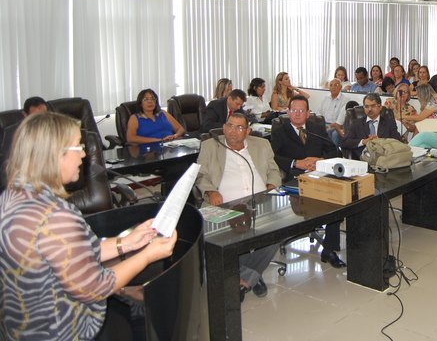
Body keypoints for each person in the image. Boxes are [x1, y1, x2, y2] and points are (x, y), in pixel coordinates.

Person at [0, 112, 177, 338]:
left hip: (20, 326)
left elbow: (72, 254)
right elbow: (97, 287)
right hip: (60, 329)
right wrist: (147, 255)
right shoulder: (54, 216)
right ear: (54, 155)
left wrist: (127, 242)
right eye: (78, 146)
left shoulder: (14, 196)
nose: (84, 154)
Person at [195, 113, 280, 300]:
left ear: (248, 131)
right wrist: (210, 192)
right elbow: (200, 175)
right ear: (224, 127)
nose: (233, 131)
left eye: (239, 127)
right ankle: (250, 277)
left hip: (259, 205)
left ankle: (242, 279)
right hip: (223, 207)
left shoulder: (261, 145)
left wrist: (270, 188)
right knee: (207, 243)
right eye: (230, 126)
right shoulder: (210, 146)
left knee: (277, 232)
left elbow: (274, 171)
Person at [270, 95, 345, 268]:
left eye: (301, 111)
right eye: (293, 111)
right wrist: (296, 162)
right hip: (295, 177)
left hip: (320, 174)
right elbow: (273, 156)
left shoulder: (316, 127)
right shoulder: (280, 130)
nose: (297, 114)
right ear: (288, 112)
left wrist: (319, 160)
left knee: (338, 201)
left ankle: (329, 249)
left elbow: (334, 150)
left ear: (308, 113)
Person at [341, 93, 401, 159]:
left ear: (380, 107)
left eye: (373, 106)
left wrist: (381, 141)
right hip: (363, 159)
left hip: (384, 158)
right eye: (367, 106)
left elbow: (398, 140)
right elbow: (345, 142)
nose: (369, 109)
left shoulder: (389, 123)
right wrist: (363, 141)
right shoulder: (356, 123)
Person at [404, 84, 437, 149]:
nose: (417, 97)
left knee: (422, 136)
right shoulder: (428, 105)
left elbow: (419, 118)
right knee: (421, 147)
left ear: (423, 94)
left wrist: (402, 116)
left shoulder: (434, 102)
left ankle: (406, 151)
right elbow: (418, 123)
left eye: (418, 94)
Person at [317, 78, 347, 146]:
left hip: (337, 127)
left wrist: (330, 126)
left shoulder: (345, 100)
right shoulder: (325, 99)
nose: (333, 87)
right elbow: (319, 114)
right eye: (331, 85)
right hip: (324, 124)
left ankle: (334, 154)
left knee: (334, 134)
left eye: (336, 85)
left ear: (340, 87)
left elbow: (340, 122)